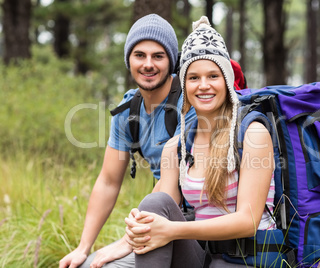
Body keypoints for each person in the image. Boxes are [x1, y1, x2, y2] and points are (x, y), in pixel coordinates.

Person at [124, 16, 276, 267]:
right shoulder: (178, 147)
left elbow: (248, 221)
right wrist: (136, 227)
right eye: (193, 78)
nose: (203, 86)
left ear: (226, 81)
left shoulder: (252, 133)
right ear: (184, 85)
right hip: (202, 256)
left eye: (213, 76)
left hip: (247, 257)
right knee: (152, 203)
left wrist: (172, 230)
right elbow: (158, 212)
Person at [59, 14, 196, 268]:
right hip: (158, 218)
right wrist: (83, 247)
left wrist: (127, 240)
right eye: (139, 55)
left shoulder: (189, 102)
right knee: (86, 264)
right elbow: (108, 182)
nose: (148, 64)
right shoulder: (128, 111)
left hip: (196, 225)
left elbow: (173, 180)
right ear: (128, 60)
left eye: (158, 56)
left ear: (171, 61)